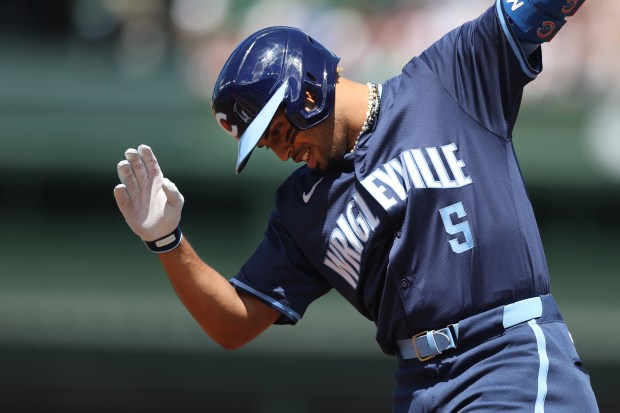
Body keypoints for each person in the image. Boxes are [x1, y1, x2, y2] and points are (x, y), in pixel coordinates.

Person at [114, 0, 600, 411]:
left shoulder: (448, 79)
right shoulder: (301, 208)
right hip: (418, 387)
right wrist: (166, 241)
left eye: (279, 133)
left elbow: (531, 10)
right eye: (267, 145)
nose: (282, 152)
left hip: (506, 357)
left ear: (306, 92)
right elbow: (234, 323)